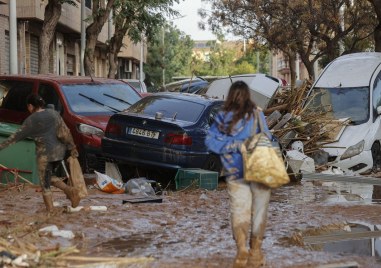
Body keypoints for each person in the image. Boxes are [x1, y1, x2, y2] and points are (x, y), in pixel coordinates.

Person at [205, 81, 271, 268]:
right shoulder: (258, 114)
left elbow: (211, 142)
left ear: (231, 95)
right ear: (248, 95)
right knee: (258, 212)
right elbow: (268, 137)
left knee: (239, 211)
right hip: (258, 170)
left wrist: (231, 146)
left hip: (234, 172)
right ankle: (256, 252)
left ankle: (242, 249)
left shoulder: (223, 117)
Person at [0, 94, 81, 213]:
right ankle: (69, 191)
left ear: (30, 106)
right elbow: (65, 133)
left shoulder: (31, 120)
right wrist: (72, 147)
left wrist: (1, 146)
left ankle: (51, 210)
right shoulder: (54, 114)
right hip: (59, 152)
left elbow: (15, 137)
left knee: (45, 184)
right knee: (50, 177)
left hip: (45, 155)